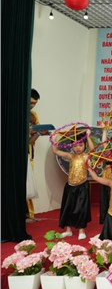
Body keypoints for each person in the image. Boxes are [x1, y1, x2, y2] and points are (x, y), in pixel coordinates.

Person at [52, 132, 93, 240]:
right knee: (68, 207)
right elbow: (55, 151)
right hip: (70, 186)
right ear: (72, 146)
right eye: (75, 146)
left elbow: (93, 149)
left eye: (80, 145)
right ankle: (68, 230)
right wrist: (53, 140)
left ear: (85, 145)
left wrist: (88, 136)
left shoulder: (86, 156)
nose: (78, 148)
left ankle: (81, 230)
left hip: (82, 186)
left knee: (81, 208)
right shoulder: (71, 156)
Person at [26, 89, 49, 222]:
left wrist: (40, 132)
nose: (32, 106)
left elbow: (35, 134)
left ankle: (29, 214)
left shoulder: (33, 115)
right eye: (31, 102)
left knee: (28, 183)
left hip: (29, 151)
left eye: (35, 103)